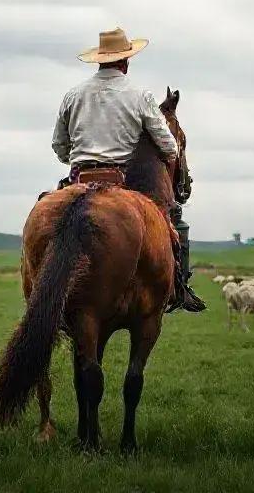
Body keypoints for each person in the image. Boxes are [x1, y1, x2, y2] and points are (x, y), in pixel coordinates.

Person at [51, 27, 204, 312]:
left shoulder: (72, 95)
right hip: (119, 181)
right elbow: (170, 149)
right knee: (173, 228)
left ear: (99, 60)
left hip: (78, 178)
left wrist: (80, 158)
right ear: (126, 61)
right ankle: (178, 288)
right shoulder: (139, 95)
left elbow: (60, 146)